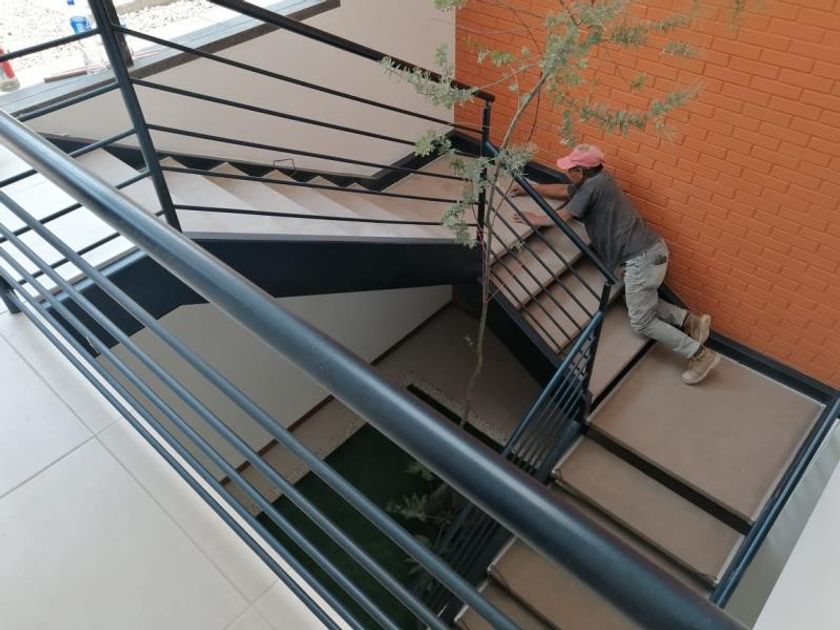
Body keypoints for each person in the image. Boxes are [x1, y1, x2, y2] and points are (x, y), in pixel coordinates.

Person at [511, 144, 720, 385]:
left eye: (570, 168)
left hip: (640, 259)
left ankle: (700, 355)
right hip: (647, 252)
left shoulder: (592, 187)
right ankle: (690, 321)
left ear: (580, 171)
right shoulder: (598, 180)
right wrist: (530, 188)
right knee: (638, 300)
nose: (567, 172)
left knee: (642, 322)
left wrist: (535, 219)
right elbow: (562, 190)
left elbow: (564, 216)